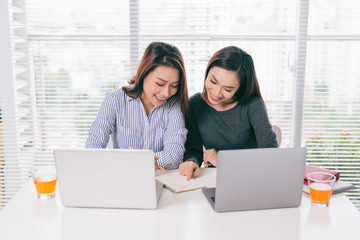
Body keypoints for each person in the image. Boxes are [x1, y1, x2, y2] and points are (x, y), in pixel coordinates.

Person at [179, 46, 278, 180]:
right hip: (217, 181)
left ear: (240, 88)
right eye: (213, 81)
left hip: (252, 180)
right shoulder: (194, 105)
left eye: (228, 89)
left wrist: (223, 162)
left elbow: (270, 155)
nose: (216, 92)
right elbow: (193, 149)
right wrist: (191, 162)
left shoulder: (253, 105)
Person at [86, 42, 189, 170]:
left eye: (174, 86)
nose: (166, 93)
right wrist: (145, 162)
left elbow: (174, 157)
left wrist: (133, 162)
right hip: (123, 177)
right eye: (160, 84)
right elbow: (92, 149)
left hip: (159, 180)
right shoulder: (114, 99)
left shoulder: (174, 104)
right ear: (144, 73)